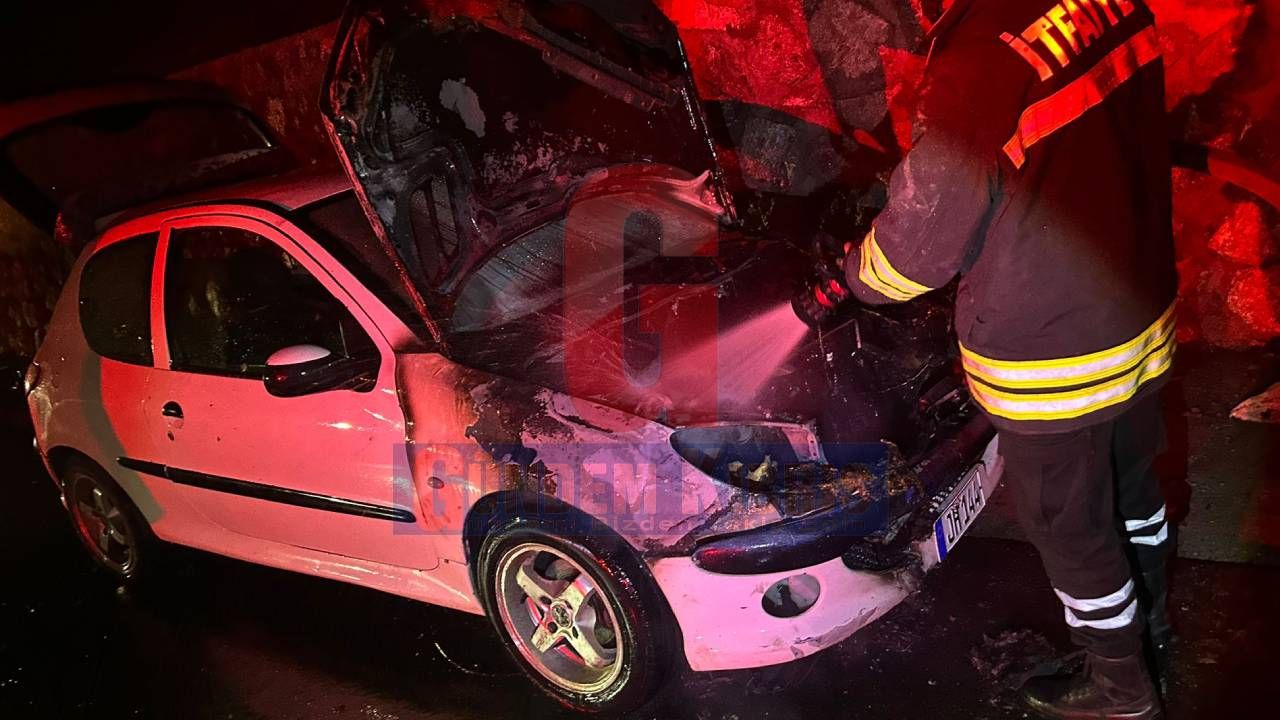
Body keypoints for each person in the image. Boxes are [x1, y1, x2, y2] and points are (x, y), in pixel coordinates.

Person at [829, 0, 1175, 717]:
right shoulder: (1109, 5)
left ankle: (1123, 692)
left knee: (1074, 535)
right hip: (1138, 310)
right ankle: (1153, 633)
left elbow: (915, 255)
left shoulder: (983, 56)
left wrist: (851, 275)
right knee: (1134, 493)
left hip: (1054, 355)